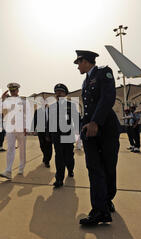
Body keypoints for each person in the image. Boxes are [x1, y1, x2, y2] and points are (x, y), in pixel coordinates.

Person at [74, 50, 120, 225]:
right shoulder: (86, 81)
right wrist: (85, 126)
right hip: (90, 130)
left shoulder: (103, 72)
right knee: (94, 167)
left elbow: (108, 98)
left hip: (105, 128)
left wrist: (95, 122)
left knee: (109, 166)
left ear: (86, 61)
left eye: (78, 63)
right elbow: (87, 107)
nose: (77, 66)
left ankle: (107, 200)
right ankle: (100, 210)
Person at [48, 83, 78, 188]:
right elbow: (48, 122)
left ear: (65, 94)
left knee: (69, 156)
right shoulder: (51, 107)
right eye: (56, 92)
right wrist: (48, 135)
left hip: (68, 135)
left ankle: (70, 169)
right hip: (56, 135)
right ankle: (59, 179)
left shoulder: (72, 105)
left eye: (60, 92)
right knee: (59, 156)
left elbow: (77, 120)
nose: (58, 94)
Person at [0, 83, 28, 179]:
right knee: (10, 148)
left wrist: (26, 128)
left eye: (14, 90)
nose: (12, 92)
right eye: (11, 91)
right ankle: (8, 170)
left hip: (21, 128)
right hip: (10, 127)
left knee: (22, 149)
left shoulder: (23, 101)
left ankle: (21, 167)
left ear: (18, 90)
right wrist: (2, 98)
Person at [33, 100, 52, 168]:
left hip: (49, 130)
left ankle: (47, 161)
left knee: (49, 146)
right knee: (42, 145)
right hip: (41, 130)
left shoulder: (51, 110)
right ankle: (45, 156)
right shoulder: (37, 111)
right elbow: (34, 120)